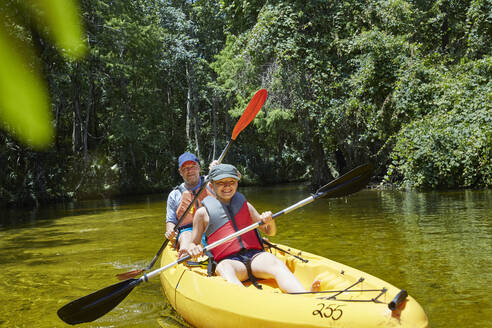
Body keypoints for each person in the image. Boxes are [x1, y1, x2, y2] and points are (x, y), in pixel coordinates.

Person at [182, 163, 313, 293]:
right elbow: (194, 243)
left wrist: (270, 221)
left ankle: (302, 294)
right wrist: (194, 248)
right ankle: (246, 301)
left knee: (275, 262)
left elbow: (270, 232)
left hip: (255, 257)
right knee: (225, 268)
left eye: (231, 181)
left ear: (237, 184)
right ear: (211, 186)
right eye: (221, 182)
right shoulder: (202, 214)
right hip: (230, 262)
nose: (227, 186)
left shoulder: (246, 206)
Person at [165, 152, 215, 252]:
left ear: (199, 168)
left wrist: (219, 170)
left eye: (193, 166)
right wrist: (170, 230)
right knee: (186, 236)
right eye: (185, 168)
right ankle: (186, 255)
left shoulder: (212, 181)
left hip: (212, 227)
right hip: (187, 230)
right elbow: (171, 220)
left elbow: (236, 177)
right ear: (180, 172)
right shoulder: (174, 194)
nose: (190, 171)